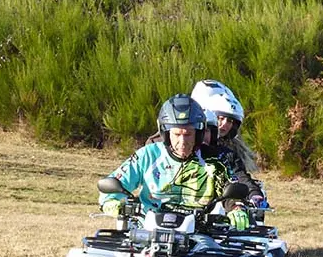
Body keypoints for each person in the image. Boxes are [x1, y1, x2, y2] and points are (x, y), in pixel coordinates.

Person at [99, 94, 250, 230]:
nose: (182, 141)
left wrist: (236, 207)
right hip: (147, 232)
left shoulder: (215, 160)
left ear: (199, 134)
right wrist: (111, 202)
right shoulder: (148, 155)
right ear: (165, 134)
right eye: (176, 134)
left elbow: (230, 189)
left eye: (188, 134)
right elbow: (114, 184)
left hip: (199, 235)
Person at [190, 80, 265, 208]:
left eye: (230, 120)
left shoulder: (226, 153)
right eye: (220, 118)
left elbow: (239, 176)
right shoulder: (163, 147)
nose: (224, 124)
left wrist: (254, 193)